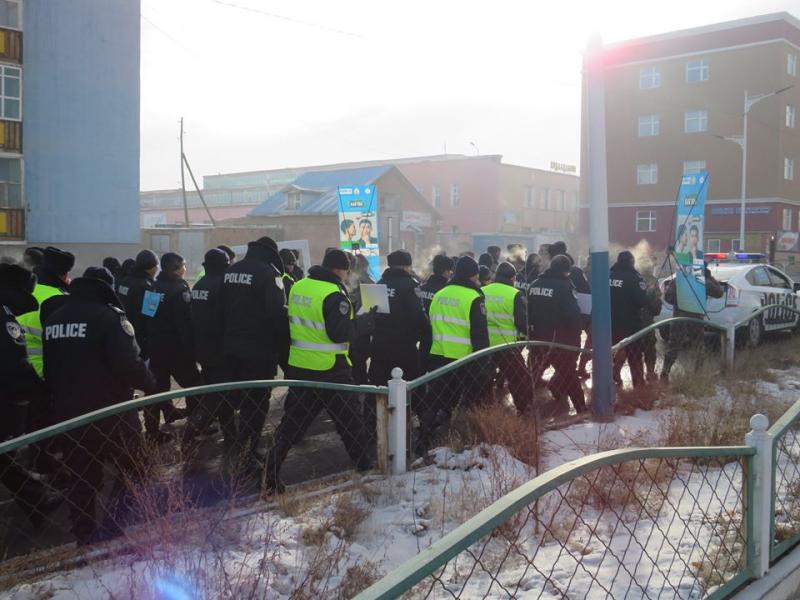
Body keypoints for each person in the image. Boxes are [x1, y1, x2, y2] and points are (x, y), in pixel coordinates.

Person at [42, 267, 156, 545]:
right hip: (111, 413)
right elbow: (129, 365)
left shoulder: (55, 319)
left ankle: (86, 538)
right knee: (136, 468)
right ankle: (114, 526)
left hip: (70, 414)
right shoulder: (109, 317)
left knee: (82, 478)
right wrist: (152, 384)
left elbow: (50, 369)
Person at [265, 250, 375, 493]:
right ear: (340, 269)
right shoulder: (333, 294)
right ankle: (365, 467)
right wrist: (365, 321)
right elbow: (340, 333)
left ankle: (268, 473)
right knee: (350, 420)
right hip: (330, 368)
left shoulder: (300, 286)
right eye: (347, 270)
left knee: (292, 424)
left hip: (301, 365)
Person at [0, 264, 61, 525]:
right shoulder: (4, 317)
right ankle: (37, 499)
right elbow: (14, 364)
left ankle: (37, 499)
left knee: (4, 457)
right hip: (6, 397)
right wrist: (40, 389)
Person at [220, 236, 288, 469]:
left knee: (235, 396)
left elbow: (220, 307)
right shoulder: (270, 274)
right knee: (257, 402)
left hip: (231, 347)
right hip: (259, 350)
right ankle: (248, 451)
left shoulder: (231, 270)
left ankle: (234, 442)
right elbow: (276, 313)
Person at [417, 256, 489, 453]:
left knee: (436, 399)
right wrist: (483, 363)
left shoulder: (440, 294)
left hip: (438, 355)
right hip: (464, 359)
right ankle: (462, 440)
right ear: (473, 275)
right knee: (467, 401)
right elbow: (480, 334)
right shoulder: (474, 297)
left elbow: (431, 326)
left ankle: (424, 438)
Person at [147, 253, 201, 443]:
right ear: (176, 268)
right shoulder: (180, 289)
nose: (185, 268)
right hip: (177, 349)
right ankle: (195, 427)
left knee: (155, 390)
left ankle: (152, 432)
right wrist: (191, 350)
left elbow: (147, 314)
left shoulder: (154, 286)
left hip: (156, 347)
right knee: (194, 386)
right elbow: (184, 323)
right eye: (183, 265)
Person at [185, 248, 235, 453]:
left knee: (220, 392)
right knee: (217, 395)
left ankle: (231, 434)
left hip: (202, 347)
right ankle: (191, 430)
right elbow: (228, 318)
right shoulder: (223, 285)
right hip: (219, 349)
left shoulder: (200, 284)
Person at [528, 255, 586, 418]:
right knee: (569, 373)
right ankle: (581, 408)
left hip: (538, 339)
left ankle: (524, 408)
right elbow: (572, 315)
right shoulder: (565, 286)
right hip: (561, 340)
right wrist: (580, 327)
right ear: (566, 271)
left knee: (533, 373)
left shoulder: (534, 284)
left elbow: (528, 312)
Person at [368, 250, 430, 386]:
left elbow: (369, 314)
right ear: (407, 266)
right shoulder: (410, 285)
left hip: (379, 346)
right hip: (404, 347)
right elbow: (418, 316)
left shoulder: (379, 283)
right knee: (408, 387)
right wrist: (427, 331)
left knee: (379, 386)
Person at [481, 262, 532, 413]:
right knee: (520, 378)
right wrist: (528, 333)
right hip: (506, 345)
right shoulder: (514, 294)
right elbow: (521, 322)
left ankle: (483, 409)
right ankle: (524, 409)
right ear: (512, 278)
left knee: (484, 379)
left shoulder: (482, 291)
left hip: (484, 345)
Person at [17, 247, 75, 377]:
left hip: (14, 371)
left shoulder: (22, 291)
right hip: (43, 374)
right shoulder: (61, 299)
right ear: (64, 275)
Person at [661, 265, 723, 380]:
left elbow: (668, 297)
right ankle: (697, 375)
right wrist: (710, 278)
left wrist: (680, 302)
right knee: (698, 346)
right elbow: (719, 293)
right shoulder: (702, 280)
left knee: (673, 346)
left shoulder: (679, 279)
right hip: (696, 318)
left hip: (679, 317)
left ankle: (664, 374)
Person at [609, 251, 650, 389]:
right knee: (635, 356)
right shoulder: (634, 278)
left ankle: (607, 383)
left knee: (608, 356)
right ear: (631, 262)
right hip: (630, 325)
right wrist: (649, 294)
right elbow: (641, 301)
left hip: (609, 324)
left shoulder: (607, 275)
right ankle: (639, 387)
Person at [348, 253, 374, 385]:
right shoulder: (368, 282)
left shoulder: (346, 282)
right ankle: (361, 388)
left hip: (348, 329)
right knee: (359, 365)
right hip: (362, 330)